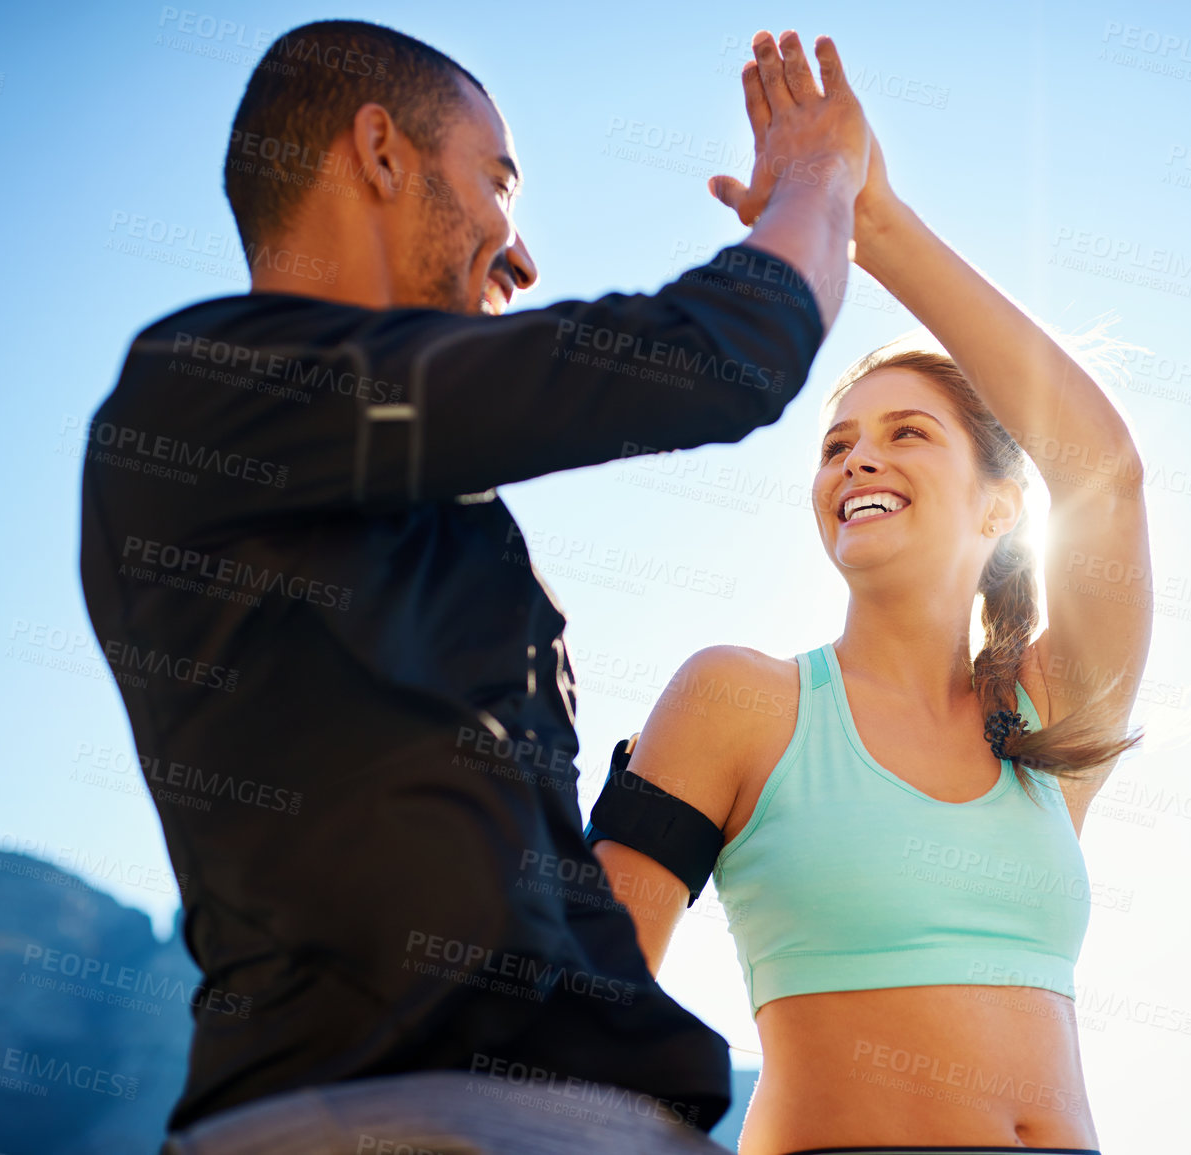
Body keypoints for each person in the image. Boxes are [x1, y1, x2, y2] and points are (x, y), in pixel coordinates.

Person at [78, 20, 873, 1155]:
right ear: (382, 155)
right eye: (498, 183)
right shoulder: (205, 391)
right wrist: (818, 179)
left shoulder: (398, 490)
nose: (521, 253)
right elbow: (709, 358)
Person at [585, 48, 1153, 1155]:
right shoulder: (741, 703)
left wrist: (875, 220)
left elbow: (1109, 476)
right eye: (836, 444)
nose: (858, 463)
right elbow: (587, 1007)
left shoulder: (1042, 722)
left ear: (1002, 507)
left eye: (907, 435)